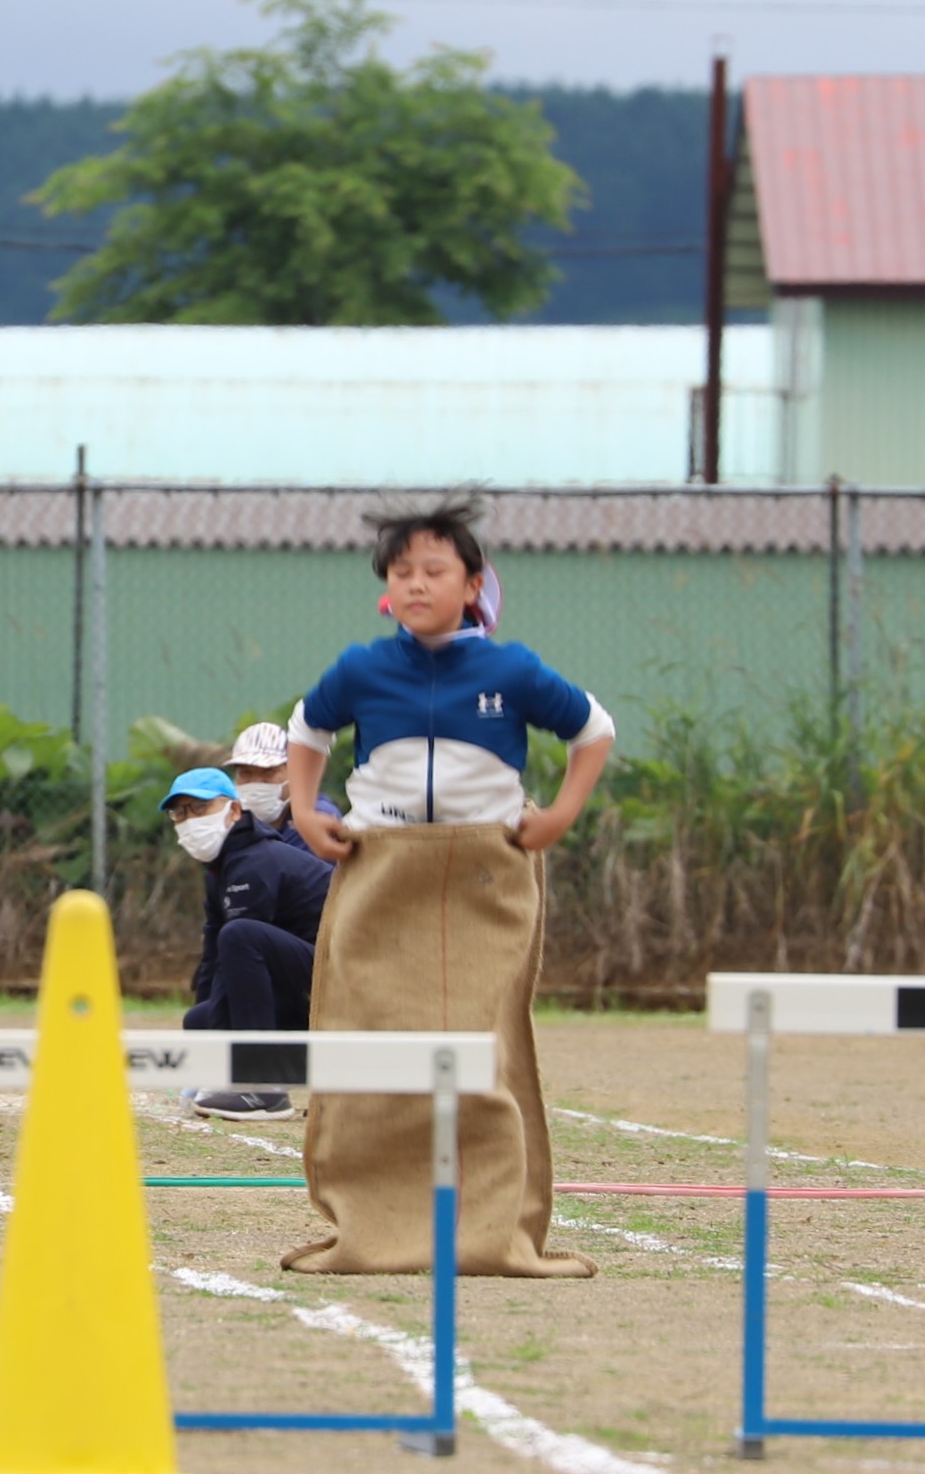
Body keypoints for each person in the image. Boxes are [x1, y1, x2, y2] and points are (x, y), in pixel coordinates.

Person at [277, 497, 614, 1279]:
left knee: (484, 1051)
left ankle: (494, 1232)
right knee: (363, 1042)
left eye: (435, 570)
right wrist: (302, 808)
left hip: (483, 873)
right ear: (385, 592)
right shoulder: (362, 666)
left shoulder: (512, 668)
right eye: (402, 573)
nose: (416, 584)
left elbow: (591, 730)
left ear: (473, 585)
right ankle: (368, 1229)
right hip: (382, 864)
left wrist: (560, 813)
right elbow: (306, 729)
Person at [160, 765, 332, 1117]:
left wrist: (224, 1060)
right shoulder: (221, 867)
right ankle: (254, 1074)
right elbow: (213, 959)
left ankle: (261, 1084)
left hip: (341, 975)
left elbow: (237, 950)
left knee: (240, 935)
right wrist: (204, 1053)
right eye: (179, 812)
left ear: (234, 811)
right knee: (199, 1018)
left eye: (199, 808)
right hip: (302, 982)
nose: (188, 819)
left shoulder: (255, 861)